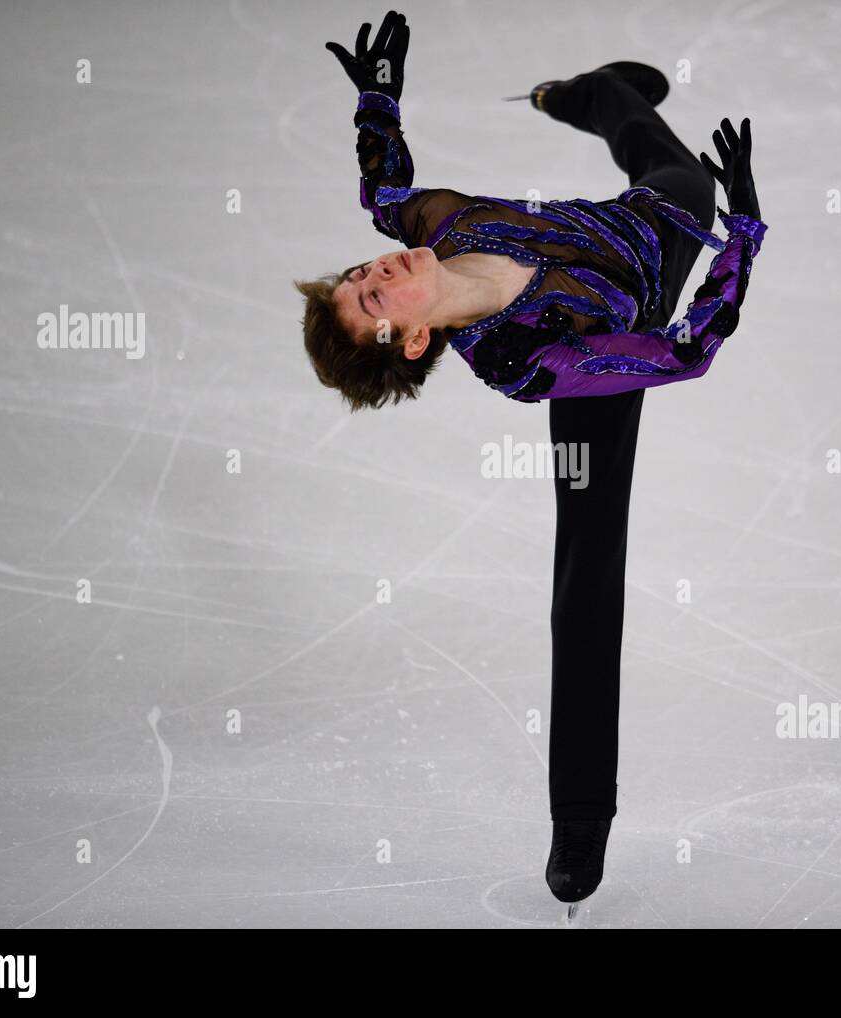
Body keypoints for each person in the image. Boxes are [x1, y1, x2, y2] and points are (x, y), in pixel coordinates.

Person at [299, 10, 767, 911]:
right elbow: (685, 353)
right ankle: (580, 818)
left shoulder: (430, 220)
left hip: (643, 214)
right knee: (587, 572)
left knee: (650, 145)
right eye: (374, 296)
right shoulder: (524, 357)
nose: (378, 268)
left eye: (362, 273)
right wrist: (740, 235)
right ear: (413, 340)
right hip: (619, 333)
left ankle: (592, 93)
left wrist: (377, 98)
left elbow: (382, 188)